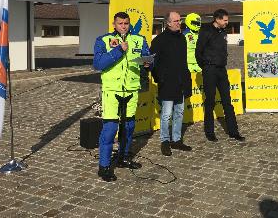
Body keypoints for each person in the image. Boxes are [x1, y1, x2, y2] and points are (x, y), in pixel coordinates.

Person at [93, 11, 151, 182]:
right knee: (110, 129)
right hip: (112, 91)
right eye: (120, 24)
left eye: (126, 23)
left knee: (129, 126)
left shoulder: (139, 40)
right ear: (114, 24)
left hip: (132, 90)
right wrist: (118, 50)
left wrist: (148, 64)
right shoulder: (103, 40)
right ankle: (104, 167)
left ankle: (123, 157)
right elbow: (98, 64)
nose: (123, 27)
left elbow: (148, 59)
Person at [195, 9, 245, 142]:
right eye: (225, 20)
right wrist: (206, 67)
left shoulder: (223, 31)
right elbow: (198, 52)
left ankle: (234, 131)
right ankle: (209, 132)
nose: (227, 23)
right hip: (210, 70)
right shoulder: (206, 31)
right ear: (217, 19)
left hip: (222, 70)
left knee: (227, 102)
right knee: (210, 102)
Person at [151, 12, 193, 156]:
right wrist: (160, 78)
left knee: (179, 112)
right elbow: (152, 62)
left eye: (179, 20)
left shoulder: (182, 38)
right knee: (167, 114)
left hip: (181, 82)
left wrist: (186, 79)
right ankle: (165, 141)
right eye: (175, 21)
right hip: (167, 83)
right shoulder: (159, 40)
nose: (178, 23)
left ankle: (176, 140)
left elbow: (183, 62)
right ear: (168, 23)